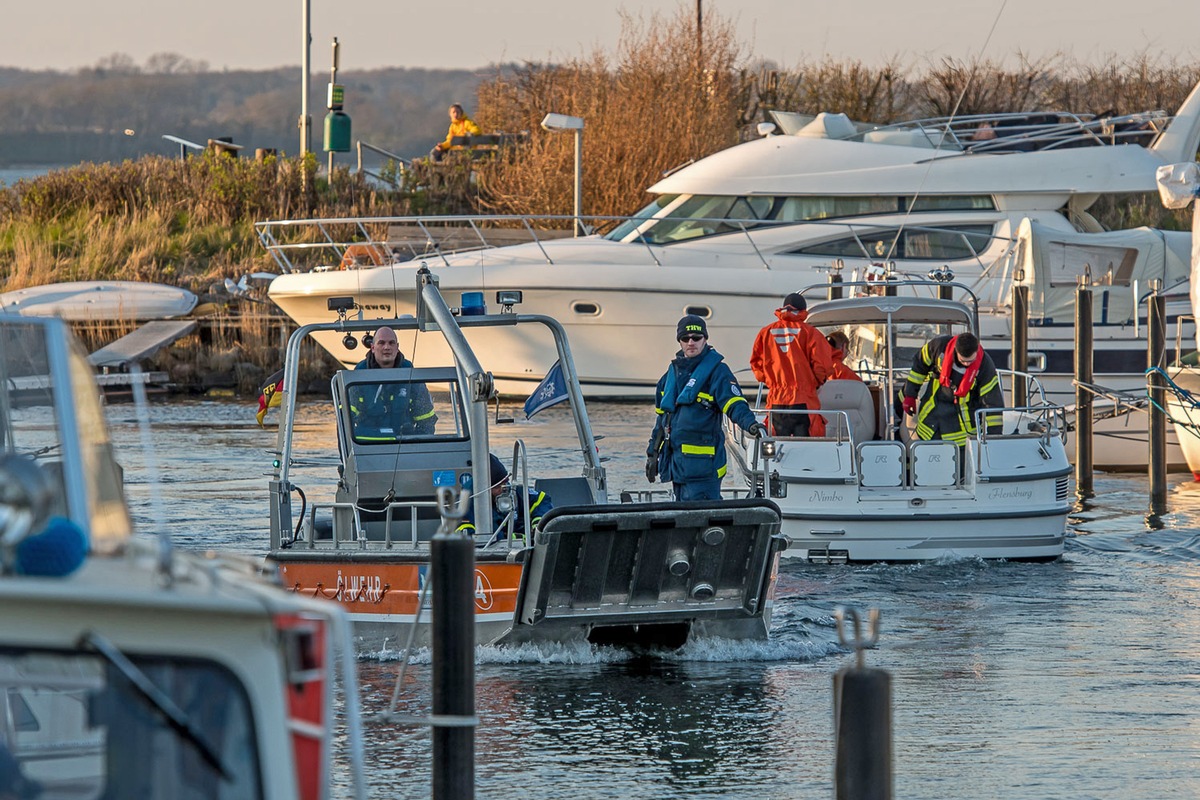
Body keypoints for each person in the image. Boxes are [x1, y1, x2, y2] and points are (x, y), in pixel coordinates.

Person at [646, 315, 765, 501]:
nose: (691, 342)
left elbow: (735, 404)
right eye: (685, 338)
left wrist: (751, 424)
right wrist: (652, 453)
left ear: (705, 339)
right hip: (677, 466)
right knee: (684, 519)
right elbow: (661, 421)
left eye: (696, 337)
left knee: (707, 519)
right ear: (679, 341)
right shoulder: (668, 378)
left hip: (704, 468)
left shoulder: (718, 372)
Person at [750, 292, 835, 437]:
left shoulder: (765, 332)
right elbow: (823, 366)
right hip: (804, 399)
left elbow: (756, 364)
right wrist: (814, 382)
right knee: (807, 449)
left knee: (777, 449)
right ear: (803, 310)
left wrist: (771, 381)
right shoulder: (811, 333)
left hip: (777, 400)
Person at [900, 331, 1004, 446]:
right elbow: (919, 366)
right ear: (956, 350)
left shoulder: (985, 366)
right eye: (963, 361)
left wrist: (995, 437)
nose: (967, 364)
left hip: (962, 432)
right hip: (930, 421)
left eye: (970, 361)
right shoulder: (939, 347)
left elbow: (992, 402)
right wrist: (910, 395)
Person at [350, 326, 437, 435]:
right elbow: (345, 420)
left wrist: (418, 448)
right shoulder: (358, 376)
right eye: (381, 343)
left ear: (397, 347)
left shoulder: (410, 375)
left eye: (391, 343)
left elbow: (426, 420)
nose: (387, 347)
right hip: (368, 446)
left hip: (404, 444)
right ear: (372, 347)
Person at [456, 454, 553, 540]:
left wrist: (540, 522)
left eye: (505, 482)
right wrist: (510, 538)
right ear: (484, 488)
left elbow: (541, 499)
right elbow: (466, 531)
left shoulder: (512, 491)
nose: (503, 489)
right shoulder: (468, 501)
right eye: (498, 486)